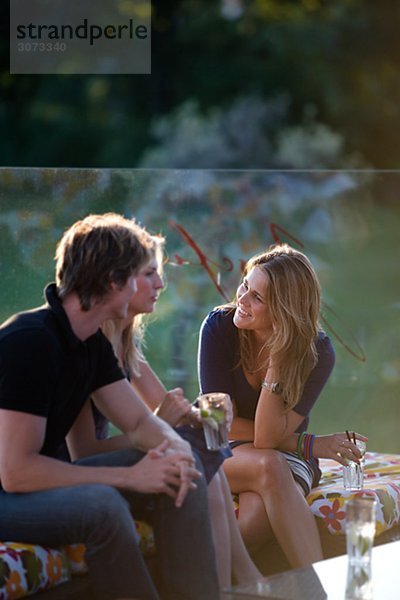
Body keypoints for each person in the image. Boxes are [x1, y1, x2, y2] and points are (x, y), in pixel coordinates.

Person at [0, 213, 219, 600]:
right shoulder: (29, 342)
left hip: (37, 483)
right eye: (138, 276)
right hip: (8, 494)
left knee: (184, 469)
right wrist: (129, 477)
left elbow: (136, 422)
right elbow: (16, 472)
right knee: (102, 506)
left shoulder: (91, 344)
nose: (147, 286)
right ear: (113, 281)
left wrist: (178, 449)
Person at [66, 230, 262, 590]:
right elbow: (82, 453)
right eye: (150, 274)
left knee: (205, 458)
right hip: (76, 473)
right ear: (118, 280)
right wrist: (166, 423)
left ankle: (231, 586)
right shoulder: (86, 345)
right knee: (198, 459)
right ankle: (236, 584)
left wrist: (201, 414)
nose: (161, 283)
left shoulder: (124, 338)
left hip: (123, 458)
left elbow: (163, 408)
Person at [198, 243, 366, 569]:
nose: (241, 301)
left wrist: (278, 357)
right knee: (271, 465)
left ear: (285, 312)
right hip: (217, 444)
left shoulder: (317, 352)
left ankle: (203, 578)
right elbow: (218, 422)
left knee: (255, 520)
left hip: (281, 454)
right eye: (245, 285)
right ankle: (320, 589)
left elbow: (265, 439)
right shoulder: (218, 327)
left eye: (257, 297)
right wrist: (312, 444)